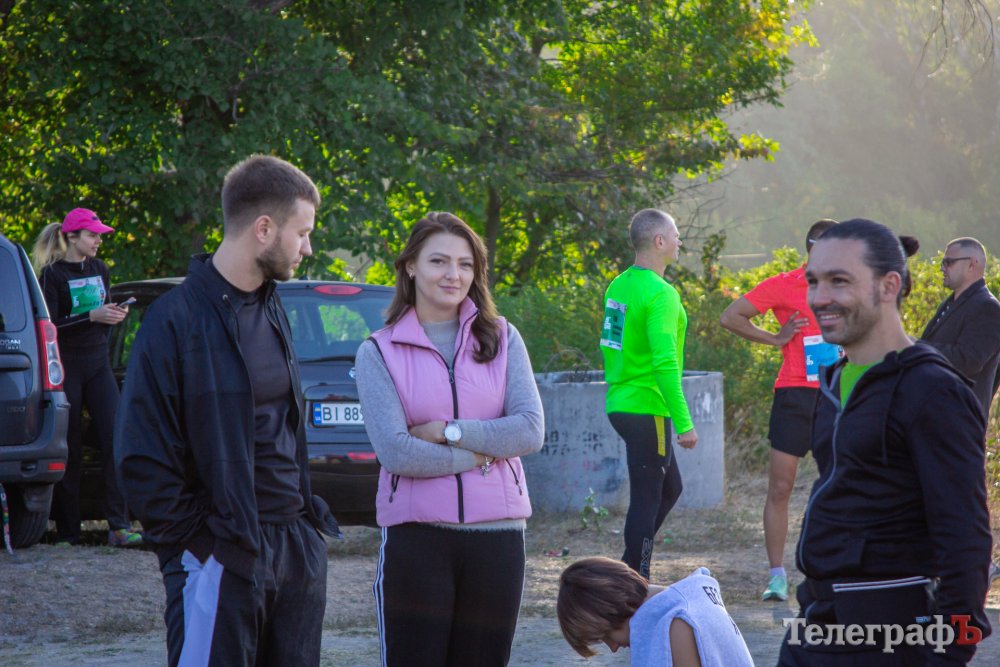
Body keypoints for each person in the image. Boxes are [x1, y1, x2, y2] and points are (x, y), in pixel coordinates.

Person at [115, 155, 341, 667]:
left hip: (294, 550)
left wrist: (305, 534)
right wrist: (204, 546)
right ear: (264, 229)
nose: (308, 248)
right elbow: (140, 458)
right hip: (220, 556)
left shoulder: (272, 306)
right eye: (302, 233)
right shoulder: (173, 321)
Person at [779, 219, 992, 665]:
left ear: (889, 285)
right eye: (814, 281)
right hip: (814, 625)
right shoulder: (833, 382)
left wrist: (949, 653)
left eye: (840, 281)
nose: (820, 297)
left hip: (891, 634)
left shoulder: (932, 390)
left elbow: (965, 540)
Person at [355, 211, 544, 667]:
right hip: (417, 540)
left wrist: (448, 432)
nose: (453, 275)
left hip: (498, 539)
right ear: (410, 267)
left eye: (465, 264)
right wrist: (481, 456)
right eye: (438, 261)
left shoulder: (504, 339)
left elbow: (530, 430)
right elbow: (397, 452)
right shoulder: (378, 351)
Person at [719, 218, 838, 602]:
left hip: (838, 394)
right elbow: (730, 316)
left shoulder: (850, 284)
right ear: (812, 247)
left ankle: (834, 570)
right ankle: (777, 576)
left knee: (840, 484)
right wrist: (775, 338)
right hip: (794, 395)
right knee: (781, 487)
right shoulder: (785, 284)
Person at [32, 208, 140, 547]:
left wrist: (114, 314)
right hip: (67, 367)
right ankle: (68, 531)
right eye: (92, 235)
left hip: (98, 365)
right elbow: (50, 327)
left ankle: (119, 526)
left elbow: (102, 315)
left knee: (116, 437)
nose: (98, 241)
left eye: (99, 236)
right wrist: (92, 316)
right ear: (72, 237)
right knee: (71, 447)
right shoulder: (52, 275)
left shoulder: (100, 269)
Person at [599, 208, 697, 581]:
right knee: (647, 498)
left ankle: (625, 571)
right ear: (659, 241)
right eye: (675, 235)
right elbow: (665, 363)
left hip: (621, 404)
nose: (679, 241)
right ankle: (635, 581)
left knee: (671, 488)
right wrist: (684, 422)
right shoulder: (661, 294)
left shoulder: (619, 285)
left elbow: (610, 343)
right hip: (646, 407)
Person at [919, 237, 1000, 586]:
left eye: (950, 262)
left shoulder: (988, 308)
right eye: (943, 261)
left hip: (960, 420)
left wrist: (915, 348)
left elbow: (969, 360)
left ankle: (978, 567)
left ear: (973, 265)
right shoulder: (953, 304)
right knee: (943, 497)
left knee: (960, 498)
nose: (943, 268)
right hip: (939, 416)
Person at [557, 556, 754, 666]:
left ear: (611, 608)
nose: (613, 647)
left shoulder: (677, 625)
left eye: (605, 636)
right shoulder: (692, 601)